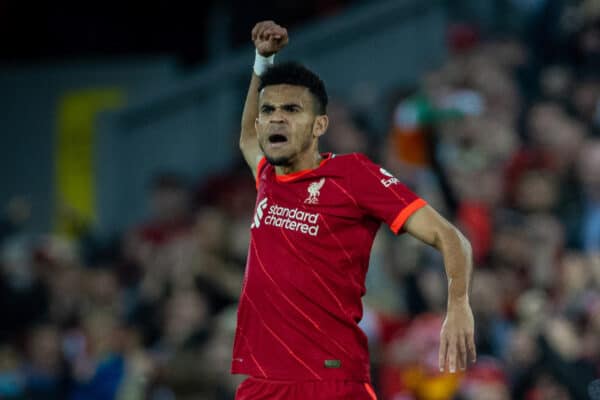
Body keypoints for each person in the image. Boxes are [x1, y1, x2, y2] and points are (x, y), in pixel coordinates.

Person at [232, 20, 476, 400]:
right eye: (269, 110)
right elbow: (247, 136)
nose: (276, 118)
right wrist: (262, 63)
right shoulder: (267, 177)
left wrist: (458, 305)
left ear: (319, 125)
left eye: (291, 109)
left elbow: (450, 237)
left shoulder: (352, 175)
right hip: (261, 384)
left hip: (329, 381)